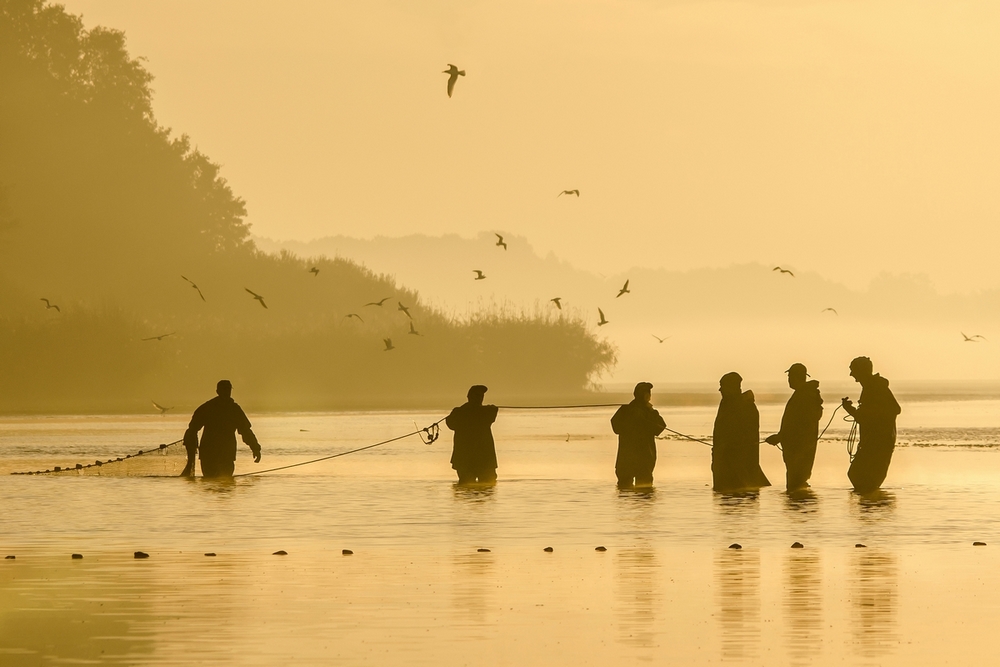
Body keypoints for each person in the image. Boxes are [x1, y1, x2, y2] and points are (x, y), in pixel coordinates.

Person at [841, 357, 901, 493]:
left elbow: (893, 410)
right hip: (874, 442)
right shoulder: (872, 388)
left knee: (861, 477)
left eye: (853, 371)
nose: (851, 374)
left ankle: (872, 506)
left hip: (878, 444)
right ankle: (872, 506)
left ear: (862, 371)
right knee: (858, 476)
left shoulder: (875, 388)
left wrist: (849, 410)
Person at [182, 380, 261, 478]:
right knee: (220, 483)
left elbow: (246, 431)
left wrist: (255, 448)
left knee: (215, 483)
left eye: (228, 389)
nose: (226, 392)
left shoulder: (232, 409)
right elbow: (192, 429)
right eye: (224, 390)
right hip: (212, 454)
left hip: (222, 454)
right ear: (218, 391)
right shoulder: (211, 408)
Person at [765, 363, 824, 491]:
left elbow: (799, 425)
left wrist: (780, 437)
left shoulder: (805, 396)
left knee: (795, 481)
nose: (789, 380)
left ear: (799, 377)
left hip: (799, 447)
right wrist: (781, 437)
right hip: (798, 446)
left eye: (791, 376)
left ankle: (798, 503)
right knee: (796, 480)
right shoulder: (804, 394)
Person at [713, 372, 770, 492]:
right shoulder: (726, 404)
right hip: (723, 461)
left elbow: (747, 436)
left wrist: (728, 448)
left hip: (740, 464)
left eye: (722, 386)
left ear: (733, 387)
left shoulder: (747, 407)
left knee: (742, 491)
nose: (720, 389)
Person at [610, 382, 667, 488]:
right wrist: (650, 411)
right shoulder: (647, 412)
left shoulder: (624, 410)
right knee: (644, 491)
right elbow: (660, 427)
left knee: (624, 492)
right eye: (648, 394)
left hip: (625, 460)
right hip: (644, 460)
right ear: (646, 396)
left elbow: (615, 427)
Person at [446, 385, 499, 484]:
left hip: (480, 458)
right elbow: (450, 423)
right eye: (477, 396)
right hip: (471, 458)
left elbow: (450, 422)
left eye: (481, 396)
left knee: (486, 483)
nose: (480, 398)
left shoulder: (460, 412)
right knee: (470, 482)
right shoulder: (461, 412)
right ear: (469, 397)